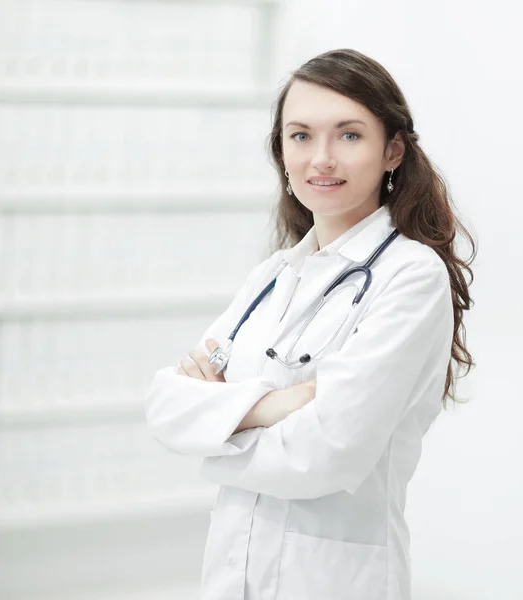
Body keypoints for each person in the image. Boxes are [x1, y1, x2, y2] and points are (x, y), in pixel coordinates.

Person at [144, 48, 475, 600]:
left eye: (349, 135)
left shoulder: (410, 277)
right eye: (300, 136)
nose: (321, 158)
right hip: (233, 573)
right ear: (281, 150)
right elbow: (163, 404)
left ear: (392, 149)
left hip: (332, 581)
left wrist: (216, 425)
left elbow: (326, 455)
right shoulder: (275, 275)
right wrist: (273, 406)